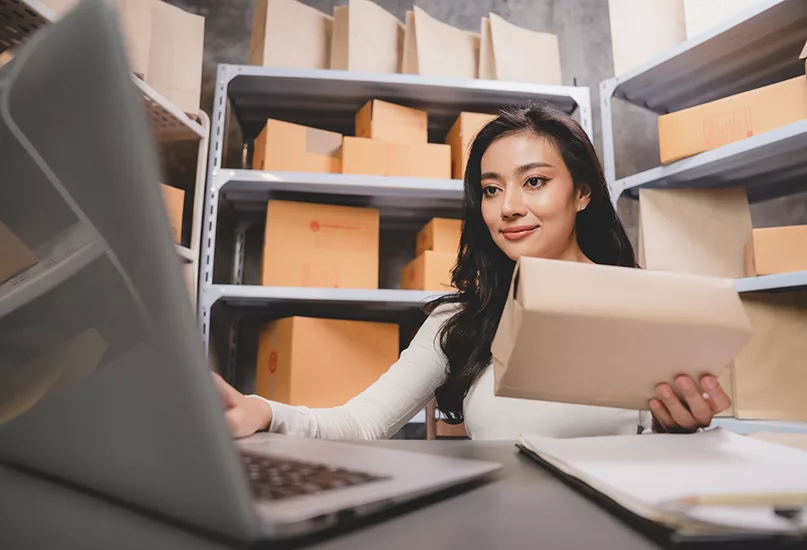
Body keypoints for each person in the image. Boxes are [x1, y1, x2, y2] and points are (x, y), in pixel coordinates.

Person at [212, 102, 732, 441]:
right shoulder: (461, 321)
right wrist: (267, 412)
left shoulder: (642, 304)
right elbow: (361, 422)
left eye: (534, 182)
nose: (507, 207)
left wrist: (681, 429)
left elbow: (681, 456)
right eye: (490, 189)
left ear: (582, 192)